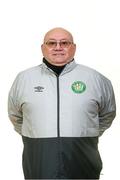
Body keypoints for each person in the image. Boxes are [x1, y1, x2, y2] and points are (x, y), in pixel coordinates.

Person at [8, 27, 116, 179]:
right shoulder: (24, 79)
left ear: (74, 47)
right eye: (51, 43)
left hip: (82, 164)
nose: (58, 47)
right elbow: (16, 116)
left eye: (64, 43)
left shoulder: (96, 79)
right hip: (40, 164)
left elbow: (107, 114)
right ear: (42, 48)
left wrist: (85, 133)